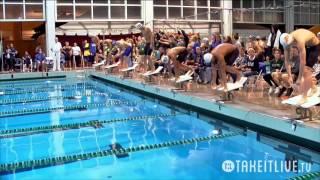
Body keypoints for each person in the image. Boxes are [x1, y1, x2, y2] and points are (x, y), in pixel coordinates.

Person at [280, 29, 320, 104]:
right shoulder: (286, 44)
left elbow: (302, 61)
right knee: (304, 71)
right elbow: (287, 61)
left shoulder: (299, 38)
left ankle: (304, 97)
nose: (290, 47)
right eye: (288, 46)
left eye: (290, 45)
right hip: (307, 45)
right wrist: (289, 76)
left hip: (316, 46)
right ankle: (314, 88)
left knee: (306, 70)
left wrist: (299, 78)